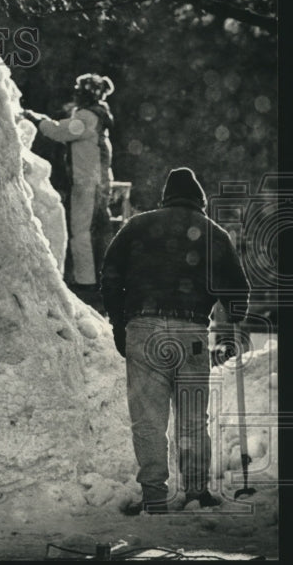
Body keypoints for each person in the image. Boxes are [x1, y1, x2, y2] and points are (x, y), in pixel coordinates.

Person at [100, 167, 250, 515]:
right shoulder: (213, 234)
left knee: (148, 420)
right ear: (200, 202)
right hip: (192, 333)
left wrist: (119, 326)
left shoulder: (137, 225)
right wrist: (233, 315)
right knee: (193, 419)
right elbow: (238, 293)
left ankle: (154, 495)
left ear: (165, 197)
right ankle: (196, 491)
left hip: (144, 328)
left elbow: (110, 275)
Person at [23, 73, 115, 295]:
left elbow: (59, 131)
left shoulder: (86, 117)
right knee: (95, 231)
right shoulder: (96, 116)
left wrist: (36, 120)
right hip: (96, 182)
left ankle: (86, 284)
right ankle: (98, 281)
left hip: (87, 183)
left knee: (81, 232)